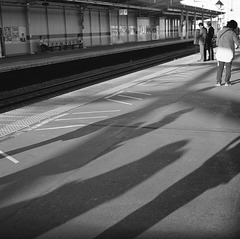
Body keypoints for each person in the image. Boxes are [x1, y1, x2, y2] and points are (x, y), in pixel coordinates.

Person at [215, 20, 240, 86]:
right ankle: (227, 82)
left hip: (220, 51)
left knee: (220, 67)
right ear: (233, 27)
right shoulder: (232, 33)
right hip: (228, 52)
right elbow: (238, 43)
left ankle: (218, 82)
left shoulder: (220, 32)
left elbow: (217, 43)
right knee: (228, 67)